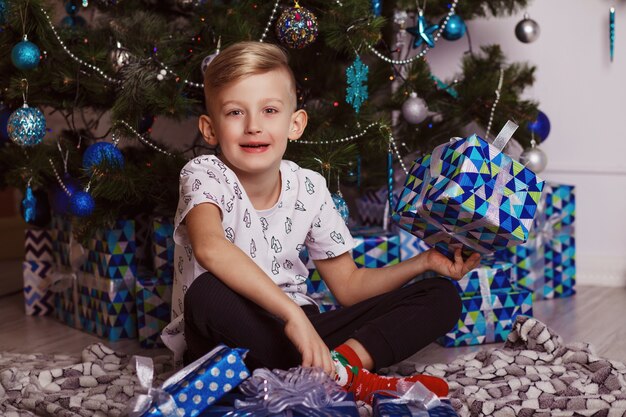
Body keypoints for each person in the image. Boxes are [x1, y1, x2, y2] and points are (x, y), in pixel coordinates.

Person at [161, 41, 481, 403]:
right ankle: (313, 373)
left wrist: (424, 262)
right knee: (206, 291)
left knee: (442, 295)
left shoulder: (309, 186)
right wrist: (291, 316)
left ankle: (339, 371)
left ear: (295, 124)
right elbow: (210, 248)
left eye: (269, 110)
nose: (253, 126)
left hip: (302, 332)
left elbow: (348, 285)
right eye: (235, 112)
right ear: (210, 128)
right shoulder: (203, 173)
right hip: (228, 335)